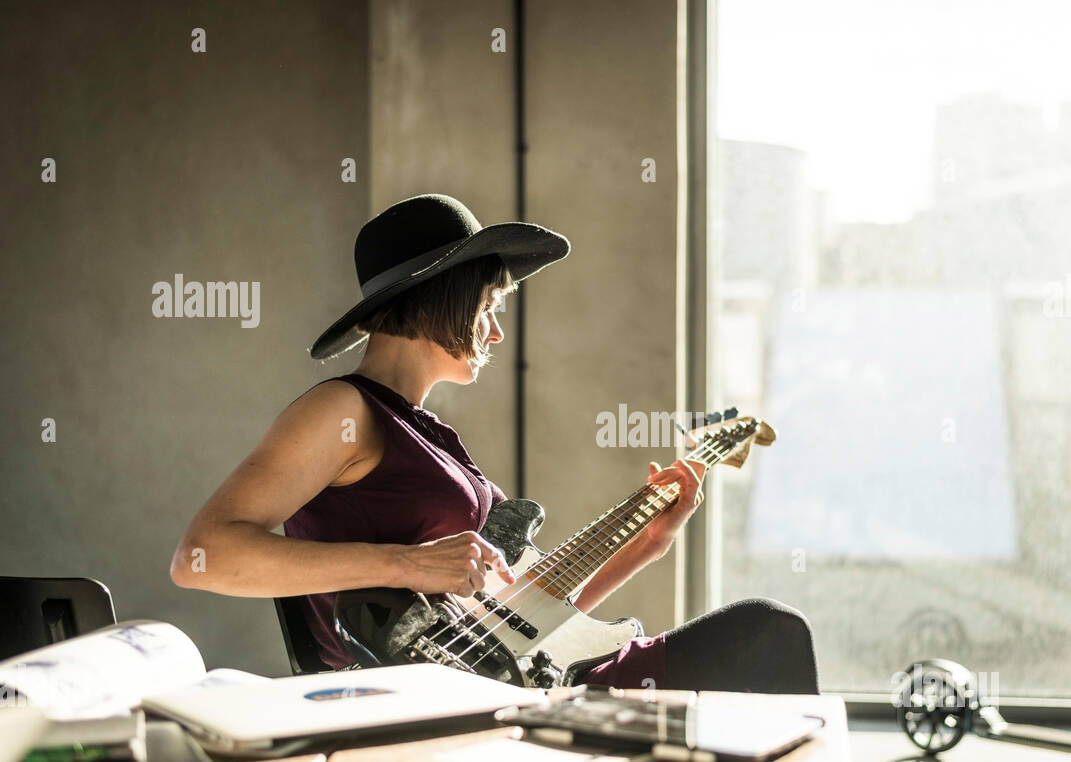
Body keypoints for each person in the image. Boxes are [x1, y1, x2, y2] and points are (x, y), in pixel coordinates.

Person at [170, 194, 818, 694]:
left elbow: (519, 633)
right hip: (441, 704)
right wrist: (404, 565)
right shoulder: (341, 410)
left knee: (768, 638)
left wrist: (652, 544)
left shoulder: (427, 434)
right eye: (490, 305)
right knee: (769, 635)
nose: (496, 334)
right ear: (443, 295)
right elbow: (204, 554)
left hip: (520, 684)